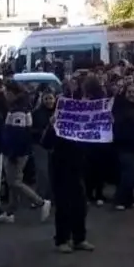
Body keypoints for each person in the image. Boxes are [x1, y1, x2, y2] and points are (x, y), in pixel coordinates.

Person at [53, 77, 100, 253]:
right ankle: (62, 239)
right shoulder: (61, 113)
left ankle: (79, 238)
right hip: (61, 163)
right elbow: (47, 142)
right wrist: (52, 125)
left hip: (79, 163)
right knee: (64, 204)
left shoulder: (86, 115)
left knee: (80, 204)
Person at [1, 93, 50, 224]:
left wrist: (13, 153)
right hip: (19, 151)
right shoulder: (23, 112)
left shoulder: (18, 113)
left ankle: (40, 202)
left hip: (17, 152)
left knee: (14, 182)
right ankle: (10, 212)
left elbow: (18, 135)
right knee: (13, 182)